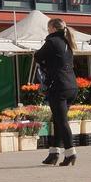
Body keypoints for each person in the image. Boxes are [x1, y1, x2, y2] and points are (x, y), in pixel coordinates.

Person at [34, 18, 79, 166]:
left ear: (53, 28)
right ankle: (53, 153)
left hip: (59, 86)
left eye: (48, 29)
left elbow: (38, 56)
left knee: (62, 121)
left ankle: (70, 153)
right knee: (58, 120)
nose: (48, 32)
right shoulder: (67, 42)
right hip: (71, 85)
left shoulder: (52, 41)